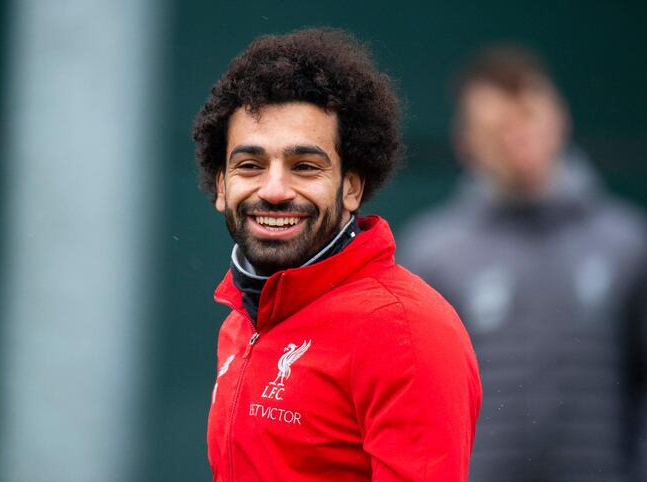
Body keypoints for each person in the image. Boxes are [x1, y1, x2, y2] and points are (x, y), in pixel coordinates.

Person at [192, 28, 482, 481]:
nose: (273, 190)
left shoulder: (405, 331)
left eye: (304, 167)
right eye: (250, 165)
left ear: (351, 186)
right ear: (222, 186)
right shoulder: (242, 320)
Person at [397, 45, 647, 482]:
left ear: (560, 118)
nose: (517, 139)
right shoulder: (433, 254)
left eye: (528, 118)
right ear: (465, 142)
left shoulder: (627, 243)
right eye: (498, 128)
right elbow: (412, 399)